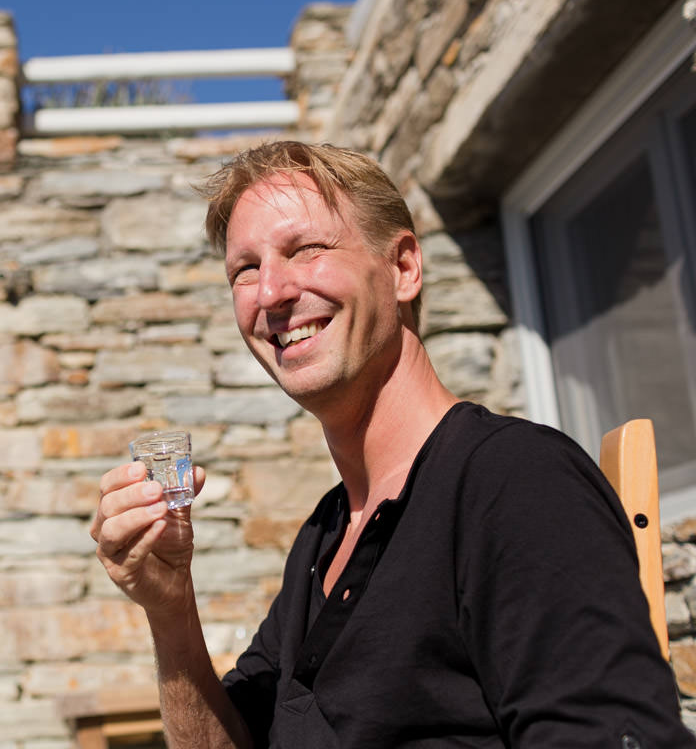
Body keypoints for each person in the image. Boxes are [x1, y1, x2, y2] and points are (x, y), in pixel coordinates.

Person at [89, 141, 695, 747]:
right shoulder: (324, 538)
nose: (270, 292)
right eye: (244, 270)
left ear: (404, 268)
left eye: (306, 249)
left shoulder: (515, 483)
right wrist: (170, 614)